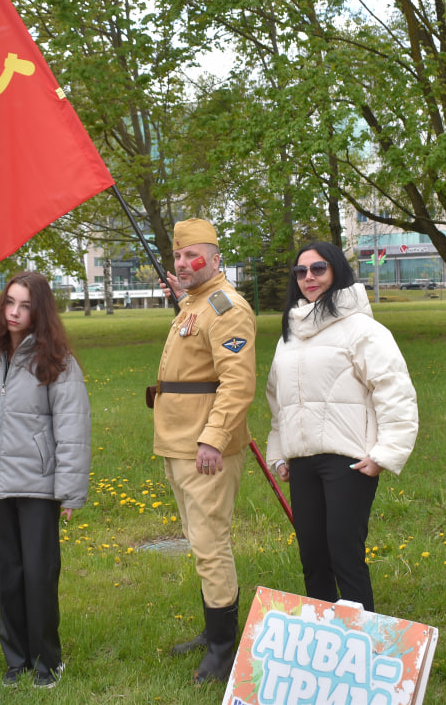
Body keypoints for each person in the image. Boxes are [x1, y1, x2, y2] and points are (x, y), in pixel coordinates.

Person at [0, 271, 90, 690]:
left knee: (38, 576)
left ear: (39, 312)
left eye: (25, 306)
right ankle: (16, 660)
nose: (14, 312)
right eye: (10, 302)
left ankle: (48, 661)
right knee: (6, 575)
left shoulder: (57, 361)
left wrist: (70, 491)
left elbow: (72, 428)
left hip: (37, 486)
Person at [265, 242, 418, 612]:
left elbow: (393, 389)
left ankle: (360, 634)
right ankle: (323, 635)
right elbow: (278, 401)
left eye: (318, 268)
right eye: (301, 271)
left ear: (336, 271)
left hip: (349, 461)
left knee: (344, 552)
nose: (309, 277)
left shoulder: (362, 329)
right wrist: (279, 454)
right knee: (313, 555)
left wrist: (385, 454)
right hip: (302, 461)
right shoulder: (289, 336)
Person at [150, 218, 257, 683]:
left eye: (192, 256)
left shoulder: (226, 307)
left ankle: (223, 650)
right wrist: (184, 296)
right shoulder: (196, 303)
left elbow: (237, 383)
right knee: (199, 540)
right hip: (178, 442)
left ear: (215, 259)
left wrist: (213, 438)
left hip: (203, 446)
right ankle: (215, 631)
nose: (182, 263)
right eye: (177, 256)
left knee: (211, 543)